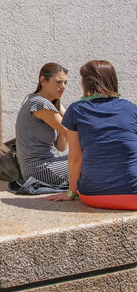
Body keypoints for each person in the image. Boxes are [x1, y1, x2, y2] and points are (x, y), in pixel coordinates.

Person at [47, 60, 137, 209]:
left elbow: (76, 158)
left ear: (86, 83)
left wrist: (71, 193)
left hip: (93, 196)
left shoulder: (76, 110)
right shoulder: (130, 109)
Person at [15, 63, 69, 187]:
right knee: (90, 164)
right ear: (43, 81)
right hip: (39, 168)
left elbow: (61, 147)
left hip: (50, 162)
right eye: (59, 82)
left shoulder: (46, 103)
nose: (63, 86)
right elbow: (71, 132)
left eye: (65, 83)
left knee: (88, 163)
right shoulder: (39, 103)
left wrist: (60, 109)